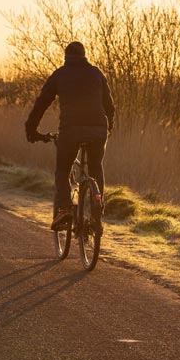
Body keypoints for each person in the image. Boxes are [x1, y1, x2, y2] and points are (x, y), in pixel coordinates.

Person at [25, 41, 115, 230]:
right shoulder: (97, 73)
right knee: (96, 167)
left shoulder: (60, 75)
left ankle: (64, 209)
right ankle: (98, 210)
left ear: (66, 57)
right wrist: (109, 126)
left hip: (70, 131)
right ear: (84, 56)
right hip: (98, 130)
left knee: (63, 170)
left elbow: (41, 103)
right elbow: (109, 104)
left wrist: (31, 129)